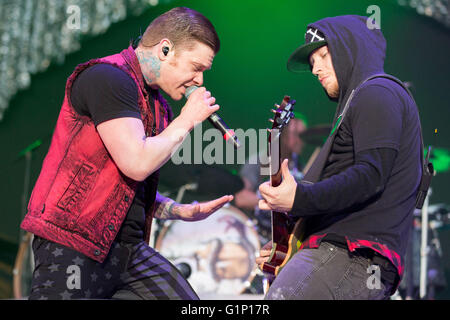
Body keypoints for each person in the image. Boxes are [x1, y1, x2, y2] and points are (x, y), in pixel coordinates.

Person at [20, 7, 233, 300]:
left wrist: (177, 210)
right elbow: (135, 163)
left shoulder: (159, 106)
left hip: (129, 250)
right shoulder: (108, 78)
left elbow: (128, 188)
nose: (199, 81)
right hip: (74, 244)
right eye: (196, 68)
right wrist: (187, 120)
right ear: (165, 49)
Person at [256, 15, 423, 300]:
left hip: (350, 255)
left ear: (352, 49)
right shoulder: (359, 100)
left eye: (322, 55)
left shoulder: (378, 91)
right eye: (311, 63)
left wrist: (299, 199)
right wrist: (288, 247)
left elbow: (370, 177)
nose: (315, 69)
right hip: (342, 257)